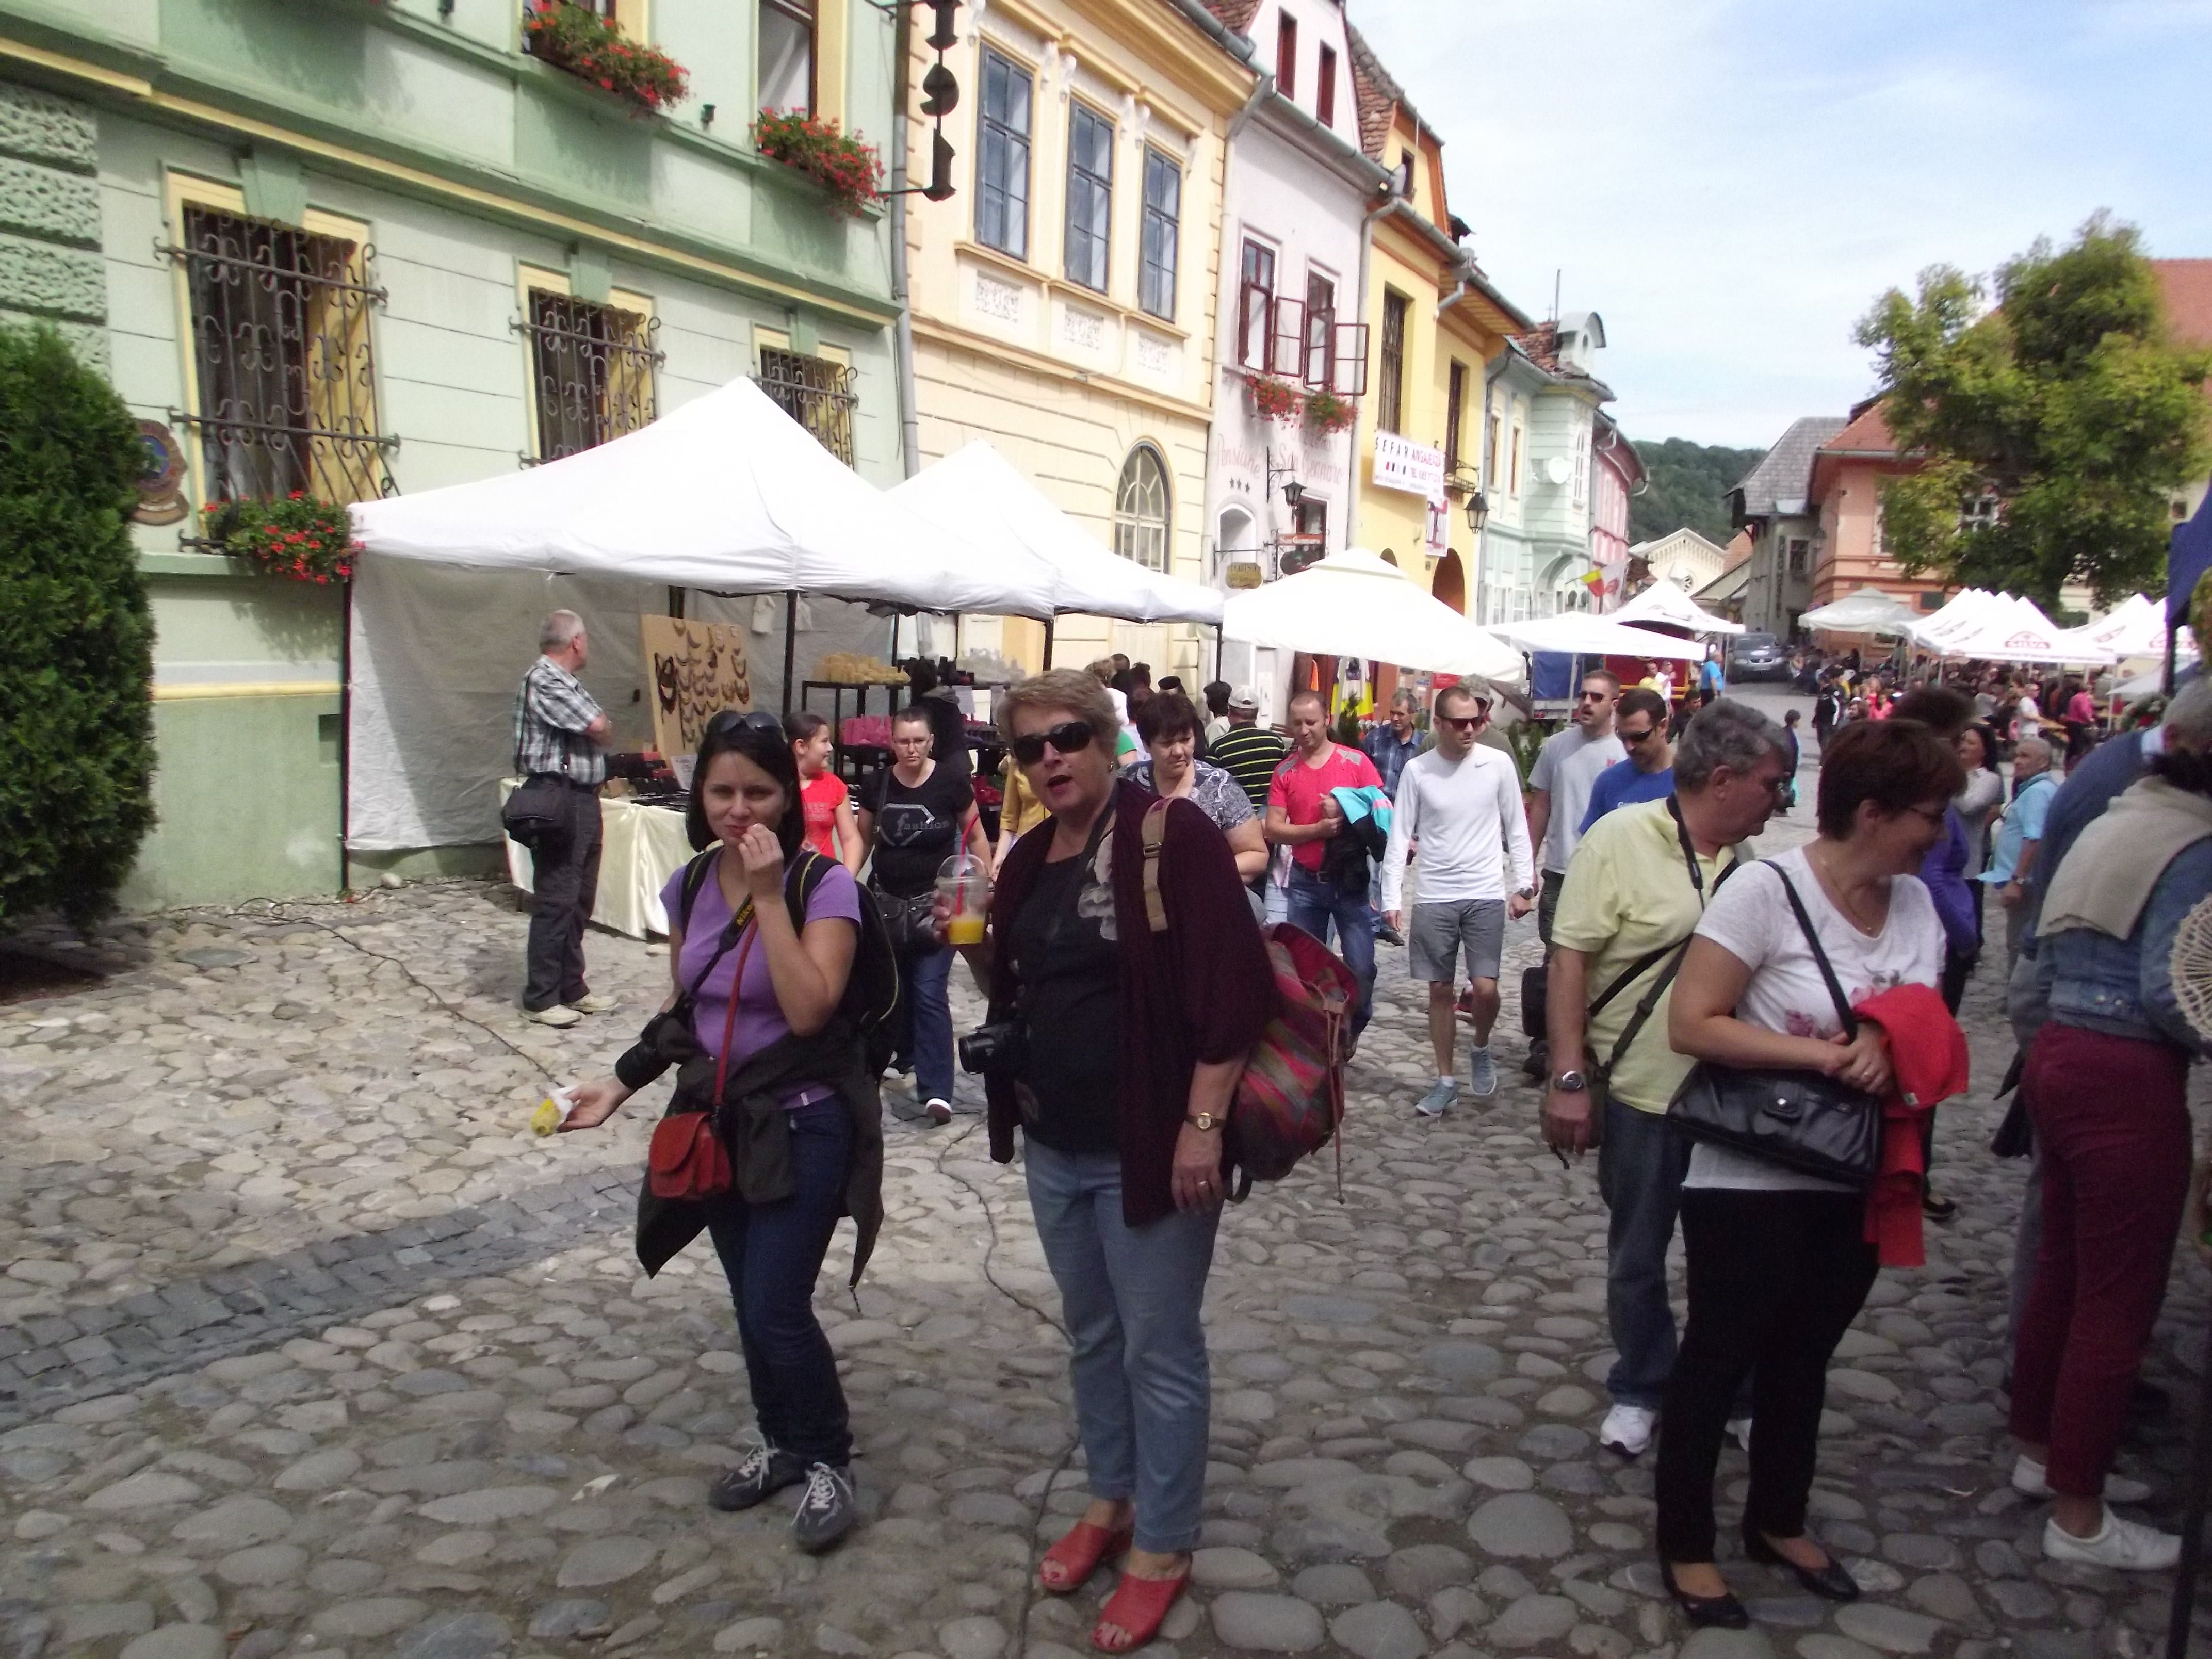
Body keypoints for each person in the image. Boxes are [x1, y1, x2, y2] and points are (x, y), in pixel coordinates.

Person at [958, 670, 1272, 1654]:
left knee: (1159, 1347)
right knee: (1093, 1337)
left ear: (1105, 741)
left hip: (1149, 1144)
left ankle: (1165, 1541)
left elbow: (1235, 991)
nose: (1048, 758)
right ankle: (1112, 1497)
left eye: (1065, 738)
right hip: (1056, 1143)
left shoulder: (1168, 837)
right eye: (1027, 748)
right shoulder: (1024, 862)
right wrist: (963, 945)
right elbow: (1012, 983)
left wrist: (1202, 1123)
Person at [1654, 717, 1962, 1628]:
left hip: (1858, 1168)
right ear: (1871, 812)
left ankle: (1776, 1519)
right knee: (1719, 1355)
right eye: (1928, 815)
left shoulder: (1910, 904)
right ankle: (1685, 1541)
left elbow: (1927, 1015)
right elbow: (1693, 1023)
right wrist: (1827, 1058)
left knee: (1805, 1353)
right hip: (1749, 1172)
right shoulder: (1764, 889)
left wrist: (1879, 1030)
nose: (1939, 834)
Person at [559, 711, 876, 1552]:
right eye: (723, 790)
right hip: (720, 1123)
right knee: (747, 1300)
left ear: (787, 797)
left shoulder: (823, 887)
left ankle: (828, 1457)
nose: (740, 809)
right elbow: (686, 1007)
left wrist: (768, 897)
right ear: (701, 796)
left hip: (804, 1124)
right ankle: (780, 1442)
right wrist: (618, 1085)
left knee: (776, 1303)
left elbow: (810, 1007)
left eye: (759, 792)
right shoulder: (691, 885)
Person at [1542, 700, 1791, 1461]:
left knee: (1736, 1263)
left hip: (1727, 1097)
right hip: (1644, 1094)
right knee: (1639, 1254)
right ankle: (1643, 1383)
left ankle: (1735, 1391)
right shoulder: (1621, 837)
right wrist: (1569, 1077)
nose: (1779, 800)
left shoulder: (1745, 863)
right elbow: (1568, 960)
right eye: (1772, 784)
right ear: (1723, 780)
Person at [2007, 709, 2212, 1572]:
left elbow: (2036, 968)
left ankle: (2039, 1445)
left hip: (2059, 1050)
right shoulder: (2194, 844)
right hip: (2126, 1072)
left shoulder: (2116, 815)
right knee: (2115, 1299)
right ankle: (2078, 1510)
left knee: (2061, 1267)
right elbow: (2178, 988)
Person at [1378, 682, 1535, 1115]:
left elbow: (1516, 827)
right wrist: (1391, 896)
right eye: (1461, 723)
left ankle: (1481, 1045)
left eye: (1477, 721)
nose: (1471, 729)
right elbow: (1400, 834)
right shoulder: (1419, 771)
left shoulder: (1498, 764)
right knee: (1440, 989)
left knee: (1485, 988)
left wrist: (1525, 883)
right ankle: (1445, 1078)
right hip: (1435, 894)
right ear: (1441, 724)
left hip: (1484, 890)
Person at [858, 706, 989, 1125]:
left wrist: (982, 889)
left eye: (918, 740)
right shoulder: (877, 784)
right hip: (887, 905)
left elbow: (976, 835)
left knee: (930, 991)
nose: (911, 749)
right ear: (891, 742)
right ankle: (891, 1059)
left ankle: (937, 1091)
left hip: (939, 907)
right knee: (892, 992)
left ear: (931, 741)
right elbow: (861, 841)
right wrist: (841, 881)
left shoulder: (951, 782)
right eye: (903, 741)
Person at [514, 608, 615, 1028]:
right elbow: (598, 724)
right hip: (560, 798)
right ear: (575, 641)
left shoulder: (566, 681)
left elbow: (600, 729)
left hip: (581, 797)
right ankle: (541, 997)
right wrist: (601, 729)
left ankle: (572, 987)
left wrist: (601, 732)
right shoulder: (546, 679)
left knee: (579, 898)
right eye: (586, 639)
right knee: (557, 896)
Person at [1267, 690, 1385, 1037]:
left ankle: (1353, 1026)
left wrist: (1345, 808)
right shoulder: (1286, 771)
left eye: (1311, 722)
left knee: (1361, 967)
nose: (1304, 730)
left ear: (1327, 721)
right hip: (1305, 884)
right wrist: (1316, 830)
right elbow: (1273, 829)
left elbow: (1381, 811)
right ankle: (1320, 1041)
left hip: (1348, 882)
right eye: (1297, 723)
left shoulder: (1355, 762)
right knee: (1308, 972)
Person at [1129, 692, 1267, 882]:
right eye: (1167, 743)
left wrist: (1203, 874)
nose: (1178, 752)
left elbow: (1256, 855)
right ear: (1146, 744)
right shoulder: (1129, 783)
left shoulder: (1219, 786)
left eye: (1186, 740)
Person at [1981, 735, 2057, 971]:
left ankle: (2017, 998)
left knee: (2019, 941)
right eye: (2016, 755)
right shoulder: (2035, 789)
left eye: (2025, 756)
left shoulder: (2037, 792)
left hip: (2026, 883)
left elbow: (2034, 838)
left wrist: (2018, 880)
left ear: (2044, 762)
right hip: (2024, 879)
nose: (2017, 761)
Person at [1944, 723, 2004, 1009]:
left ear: (1983, 750)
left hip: (1966, 865)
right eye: (1962, 741)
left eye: (1970, 742)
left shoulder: (1989, 779)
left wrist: (1947, 778)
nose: (1963, 746)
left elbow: (1969, 805)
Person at [1364, 691, 1426, 946]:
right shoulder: (1375, 739)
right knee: (1373, 870)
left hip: (1406, 817)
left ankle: (1386, 917)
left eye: (1401, 714)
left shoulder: (1423, 745)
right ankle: (1372, 922)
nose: (1396, 718)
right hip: (1377, 815)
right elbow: (1362, 774)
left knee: (1395, 870)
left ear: (1413, 715)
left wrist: (1418, 832)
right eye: (1393, 713)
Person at [1579, 688, 1675, 833]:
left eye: (1639, 737)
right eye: (1622, 737)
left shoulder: (1692, 782)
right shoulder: (1609, 782)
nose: (1629, 747)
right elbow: (1591, 848)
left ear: (1662, 727)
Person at [787, 711, 863, 875]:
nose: (830, 748)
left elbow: (851, 839)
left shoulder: (834, 785)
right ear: (801, 746)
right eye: (824, 742)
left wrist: (845, 881)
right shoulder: (777, 786)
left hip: (822, 880)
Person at [1209, 686, 1289, 819]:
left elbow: (1211, 790)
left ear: (1229, 712)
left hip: (1237, 823)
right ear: (1257, 713)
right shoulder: (1276, 741)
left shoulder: (1219, 747)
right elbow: (1285, 779)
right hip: (1272, 820)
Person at [1776, 709, 1802, 811]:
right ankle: (1781, 809)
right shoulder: (1788, 735)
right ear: (1795, 721)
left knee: (1785, 789)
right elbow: (1789, 753)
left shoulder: (1786, 732)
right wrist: (1788, 769)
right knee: (1784, 790)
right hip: (1788, 769)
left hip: (1789, 768)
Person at [1200, 681, 1233, 747]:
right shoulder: (1229, 721)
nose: (1207, 701)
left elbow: (1215, 750)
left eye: (1208, 698)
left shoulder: (1217, 726)